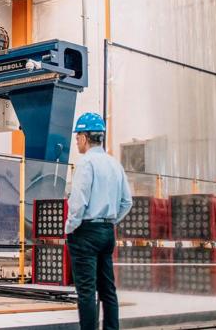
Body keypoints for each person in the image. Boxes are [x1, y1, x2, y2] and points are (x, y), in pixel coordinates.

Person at [64, 112, 132, 330]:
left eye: (77, 138)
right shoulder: (115, 165)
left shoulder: (86, 163)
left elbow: (78, 202)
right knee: (107, 290)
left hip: (85, 232)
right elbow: (126, 202)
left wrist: (70, 228)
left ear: (84, 137)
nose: (76, 142)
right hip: (106, 231)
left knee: (86, 291)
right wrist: (110, 221)